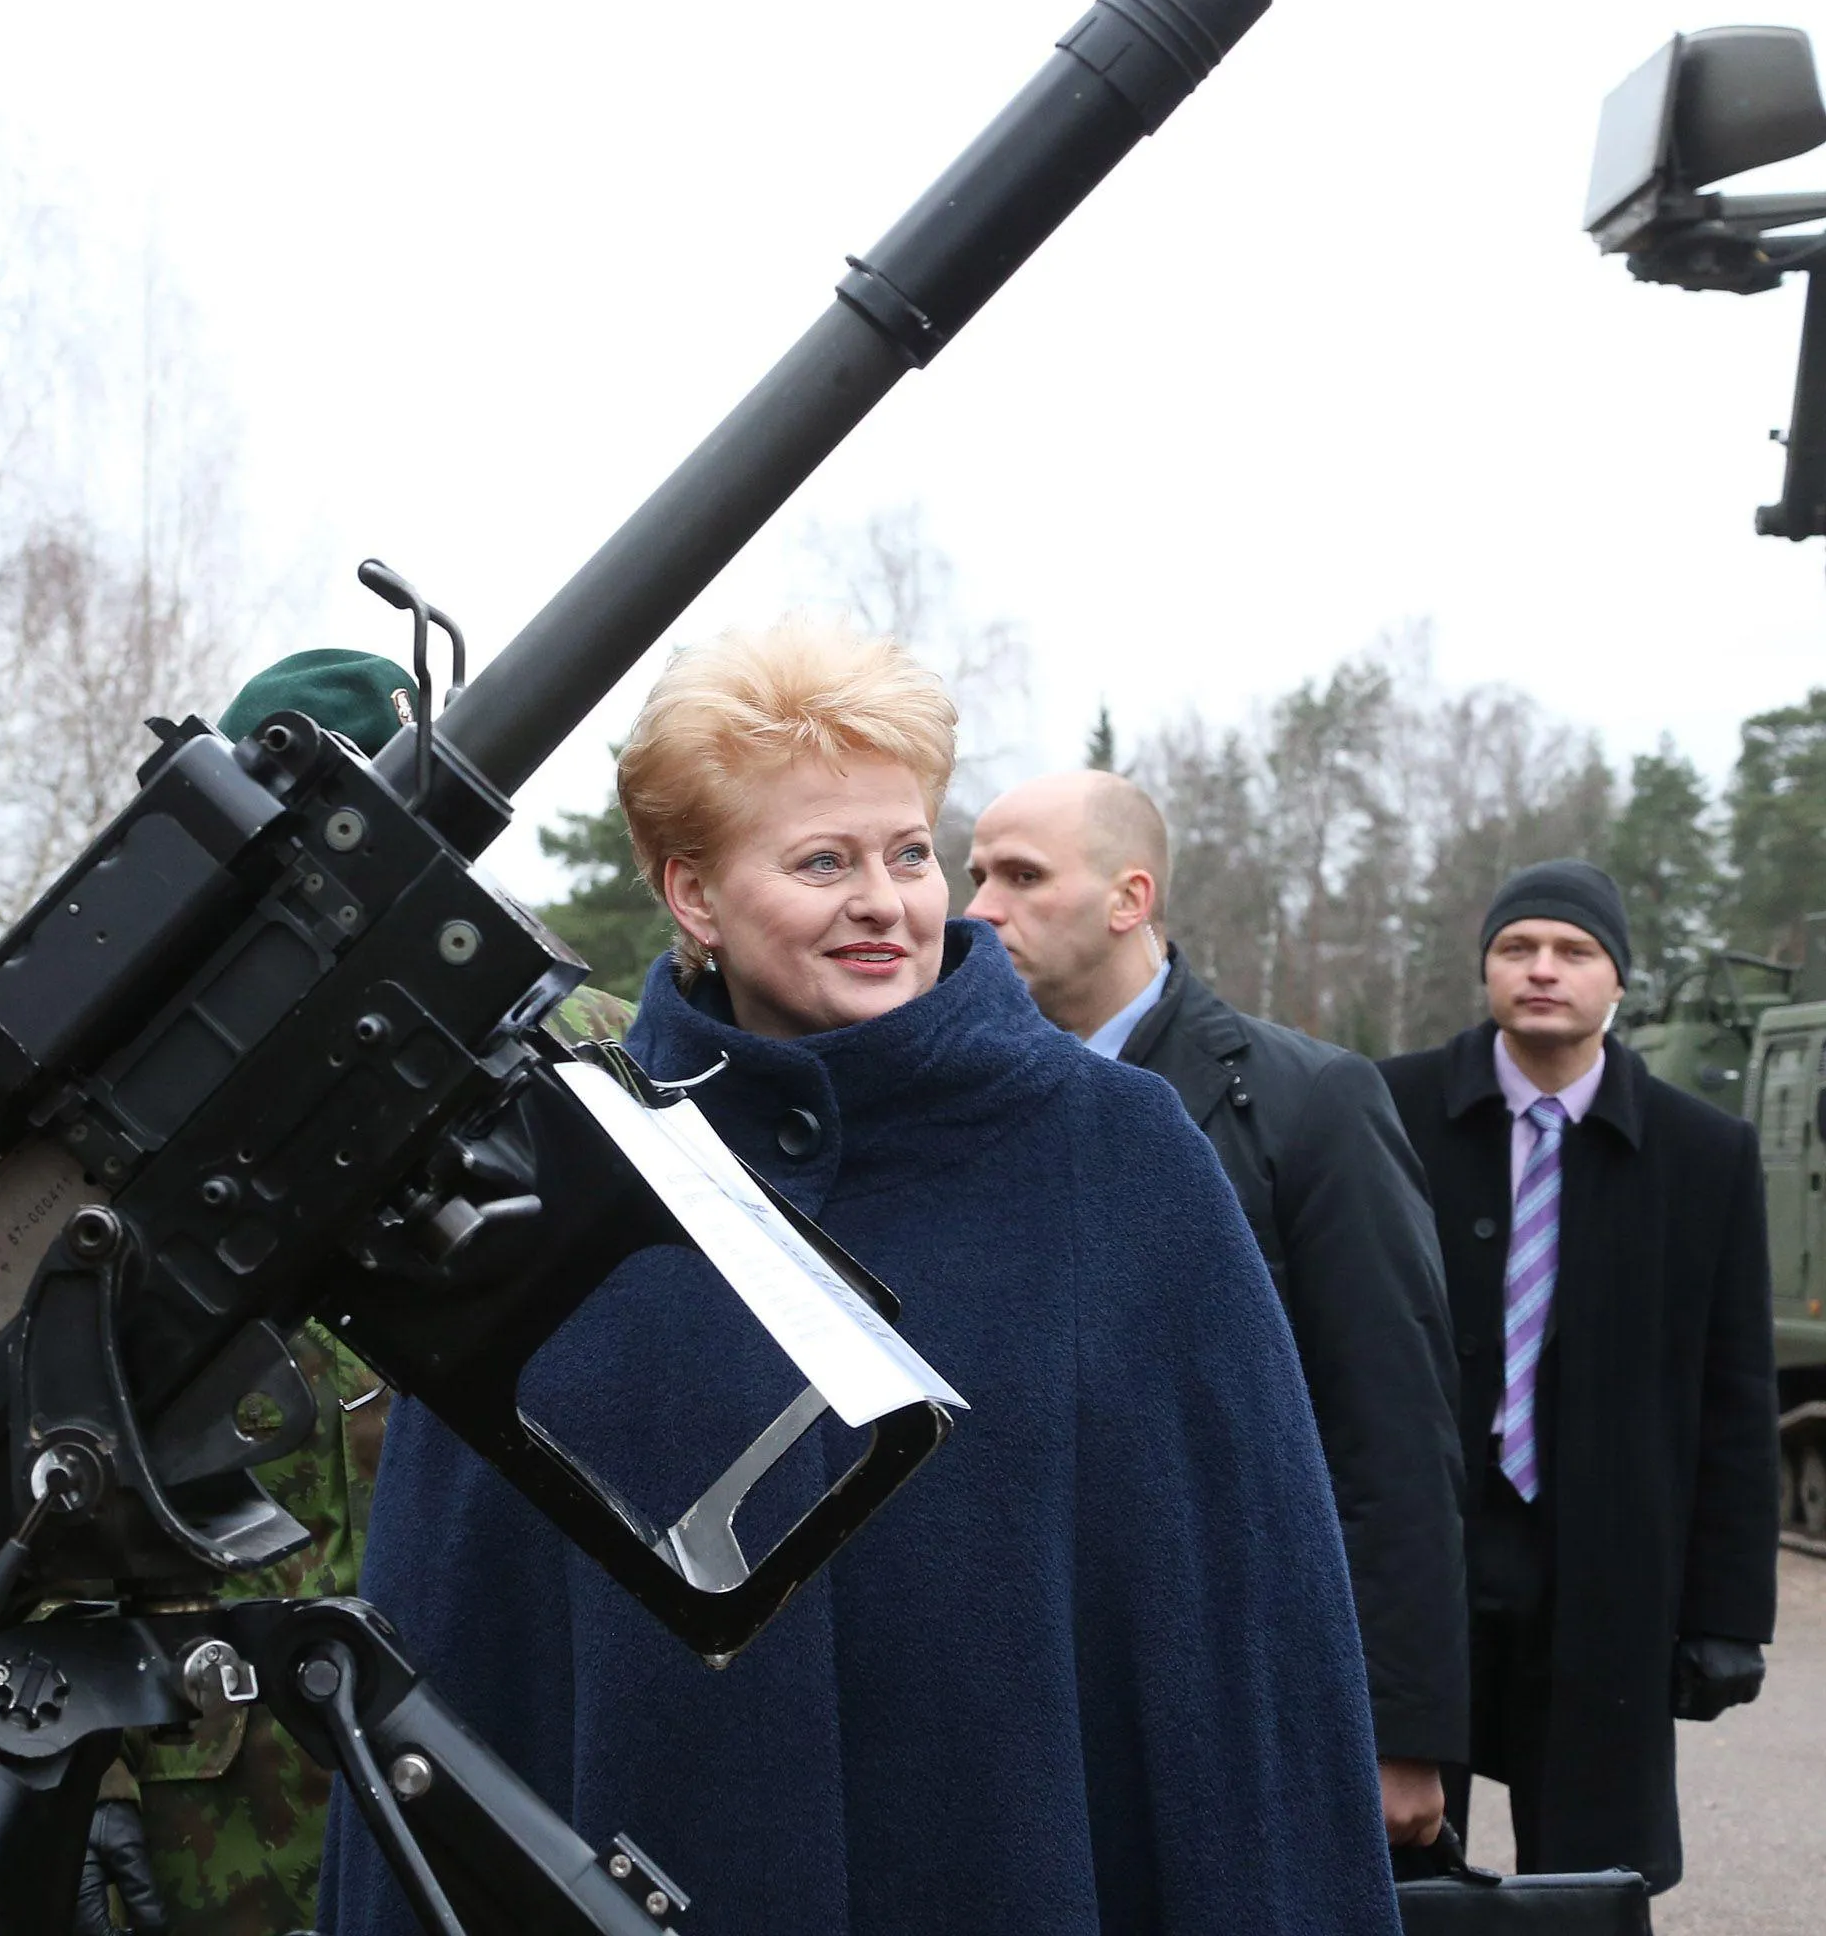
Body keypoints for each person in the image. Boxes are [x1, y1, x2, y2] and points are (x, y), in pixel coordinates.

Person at [322, 620, 1397, 1934]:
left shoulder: (1116, 1160)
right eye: (823, 860)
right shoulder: (564, 1192)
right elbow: (452, 1662)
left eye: (908, 853)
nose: (885, 900)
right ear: (694, 895)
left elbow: (1249, 1648)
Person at [89, 650, 631, 1936]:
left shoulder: (585, 1059)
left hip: (487, 1767)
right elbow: (35, 1448)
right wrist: (93, 1780)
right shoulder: (131, 1087)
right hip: (216, 1799)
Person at [965, 769, 1469, 1847]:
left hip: (1240, 1653)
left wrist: (1400, 1724)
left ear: (1128, 897)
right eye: (974, 874)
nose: (978, 909)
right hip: (1016, 1680)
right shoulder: (961, 1097)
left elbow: (1392, 1421)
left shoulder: (1306, 1100)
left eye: (1021, 875)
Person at [1379, 860, 1776, 1891]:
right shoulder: (1385, 1108)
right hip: (1429, 1550)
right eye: (1517, 947)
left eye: (1574, 950)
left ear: (1619, 979)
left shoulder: (1705, 1152)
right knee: (1395, 1861)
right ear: (1487, 967)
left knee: (1597, 1874)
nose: (1543, 969)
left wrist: (1729, 1614)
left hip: (1605, 1565)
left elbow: (1735, 1397)